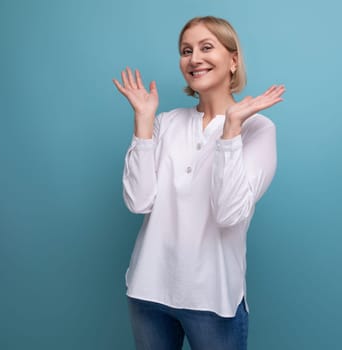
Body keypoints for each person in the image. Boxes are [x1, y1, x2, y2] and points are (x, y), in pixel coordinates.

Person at [113, 16, 285, 350]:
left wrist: (231, 129)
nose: (194, 58)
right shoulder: (166, 123)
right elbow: (138, 201)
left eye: (207, 47)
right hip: (148, 290)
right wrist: (144, 122)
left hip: (212, 299)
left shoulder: (258, 128)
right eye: (186, 50)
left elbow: (228, 212)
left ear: (233, 60)